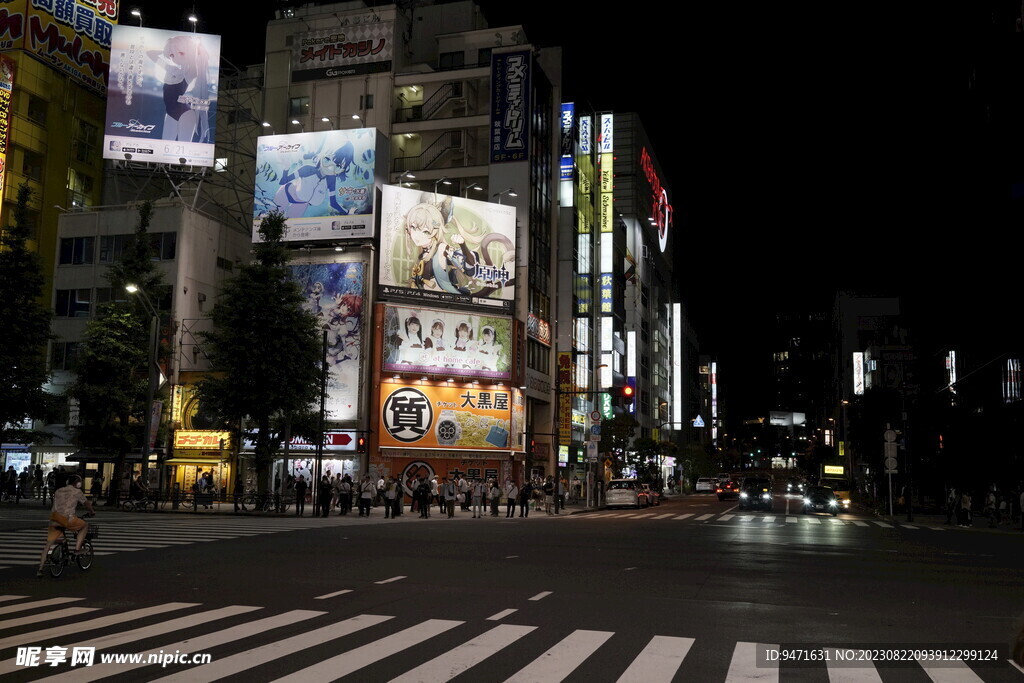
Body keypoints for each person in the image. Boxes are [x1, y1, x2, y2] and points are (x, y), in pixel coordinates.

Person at [37, 474, 95, 577]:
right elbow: (87, 503)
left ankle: (40, 569)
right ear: (78, 483)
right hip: (68, 519)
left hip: (54, 518)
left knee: (48, 545)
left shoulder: (58, 491)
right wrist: (92, 511)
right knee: (84, 525)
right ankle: (77, 549)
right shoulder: (77, 492)